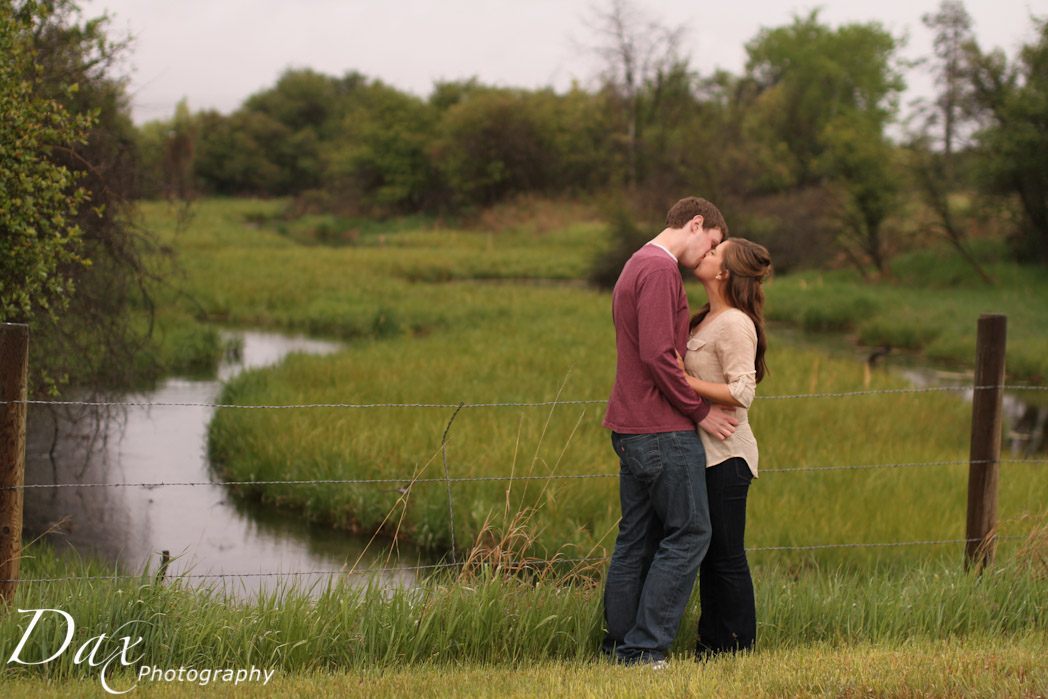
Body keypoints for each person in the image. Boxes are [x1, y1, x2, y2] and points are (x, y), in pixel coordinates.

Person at [601, 197, 739, 666]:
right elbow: (660, 356)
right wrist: (700, 412)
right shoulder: (660, 270)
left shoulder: (636, 262)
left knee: (636, 540)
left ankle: (621, 646)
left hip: (629, 426)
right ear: (696, 224)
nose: (708, 257)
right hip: (660, 430)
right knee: (691, 533)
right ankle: (644, 650)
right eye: (713, 244)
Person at [676, 237, 772, 657]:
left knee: (726, 556)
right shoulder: (705, 319)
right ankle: (711, 645)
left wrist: (681, 379)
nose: (706, 253)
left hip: (728, 455)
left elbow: (742, 392)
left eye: (715, 252)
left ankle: (735, 647)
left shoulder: (734, 322)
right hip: (705, 454)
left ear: (724, 273)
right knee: (711, 554)